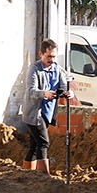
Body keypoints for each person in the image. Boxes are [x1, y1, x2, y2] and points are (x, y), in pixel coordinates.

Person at [22, 38, 72, 172]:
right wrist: (45, 94)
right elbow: (31, 91)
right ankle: (44, 176)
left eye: (54, 57)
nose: (52, 60)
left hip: (48, 113)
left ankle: (27, 173)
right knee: (43, 142)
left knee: (34, 145)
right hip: (34, 113)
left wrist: (68, 93)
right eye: (48, 56)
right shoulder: (34, 69)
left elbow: (63, 87)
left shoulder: (58, 70)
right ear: (41, 54)